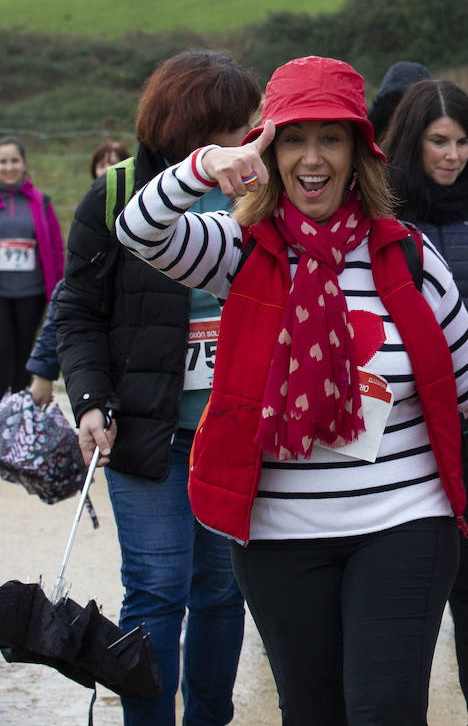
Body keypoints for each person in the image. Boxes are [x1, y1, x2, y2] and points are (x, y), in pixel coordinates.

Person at [114, 55, 468, 726]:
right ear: (268, 150)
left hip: (405, 521)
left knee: (384, 709)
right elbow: (138, 231)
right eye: (293, 139)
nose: (312, 159)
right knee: (312, 713)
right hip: (279, 538)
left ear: (359, 152)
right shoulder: (239, 248)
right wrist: (203, 167)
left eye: (330, 139)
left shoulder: (411, 254)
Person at [55, 52, 256, 726]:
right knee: (157, 588)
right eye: (233, 126)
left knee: (223, 592)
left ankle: (209, 718)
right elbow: (77, 312)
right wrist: (87, 400)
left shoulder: (260, 192)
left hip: (232, 434)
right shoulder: (113, 195)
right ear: (193, 126)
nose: (247, 138)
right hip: (148, 436)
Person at [382, 77, 468, 726]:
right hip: (403, 433)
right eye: (439, 140)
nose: (453, 154)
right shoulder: (379, 218)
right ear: (411, 142)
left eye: (464, 141)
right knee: (404, 593)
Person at [27, 139, 129, 407]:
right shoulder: (93, 210)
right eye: (103, 164)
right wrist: (44, 368)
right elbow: (71, 297)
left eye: (116, 161)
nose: (110, 168)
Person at [0, 136, 63, 396]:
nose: (9, 167)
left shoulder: (41, 202)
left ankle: (20, 408)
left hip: (31, 292)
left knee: (26, 350)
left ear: (24, 164)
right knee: (3, 349)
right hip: (1, 292)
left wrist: (59, 288)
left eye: (14, 161)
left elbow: (56, 247)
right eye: (2, 162)